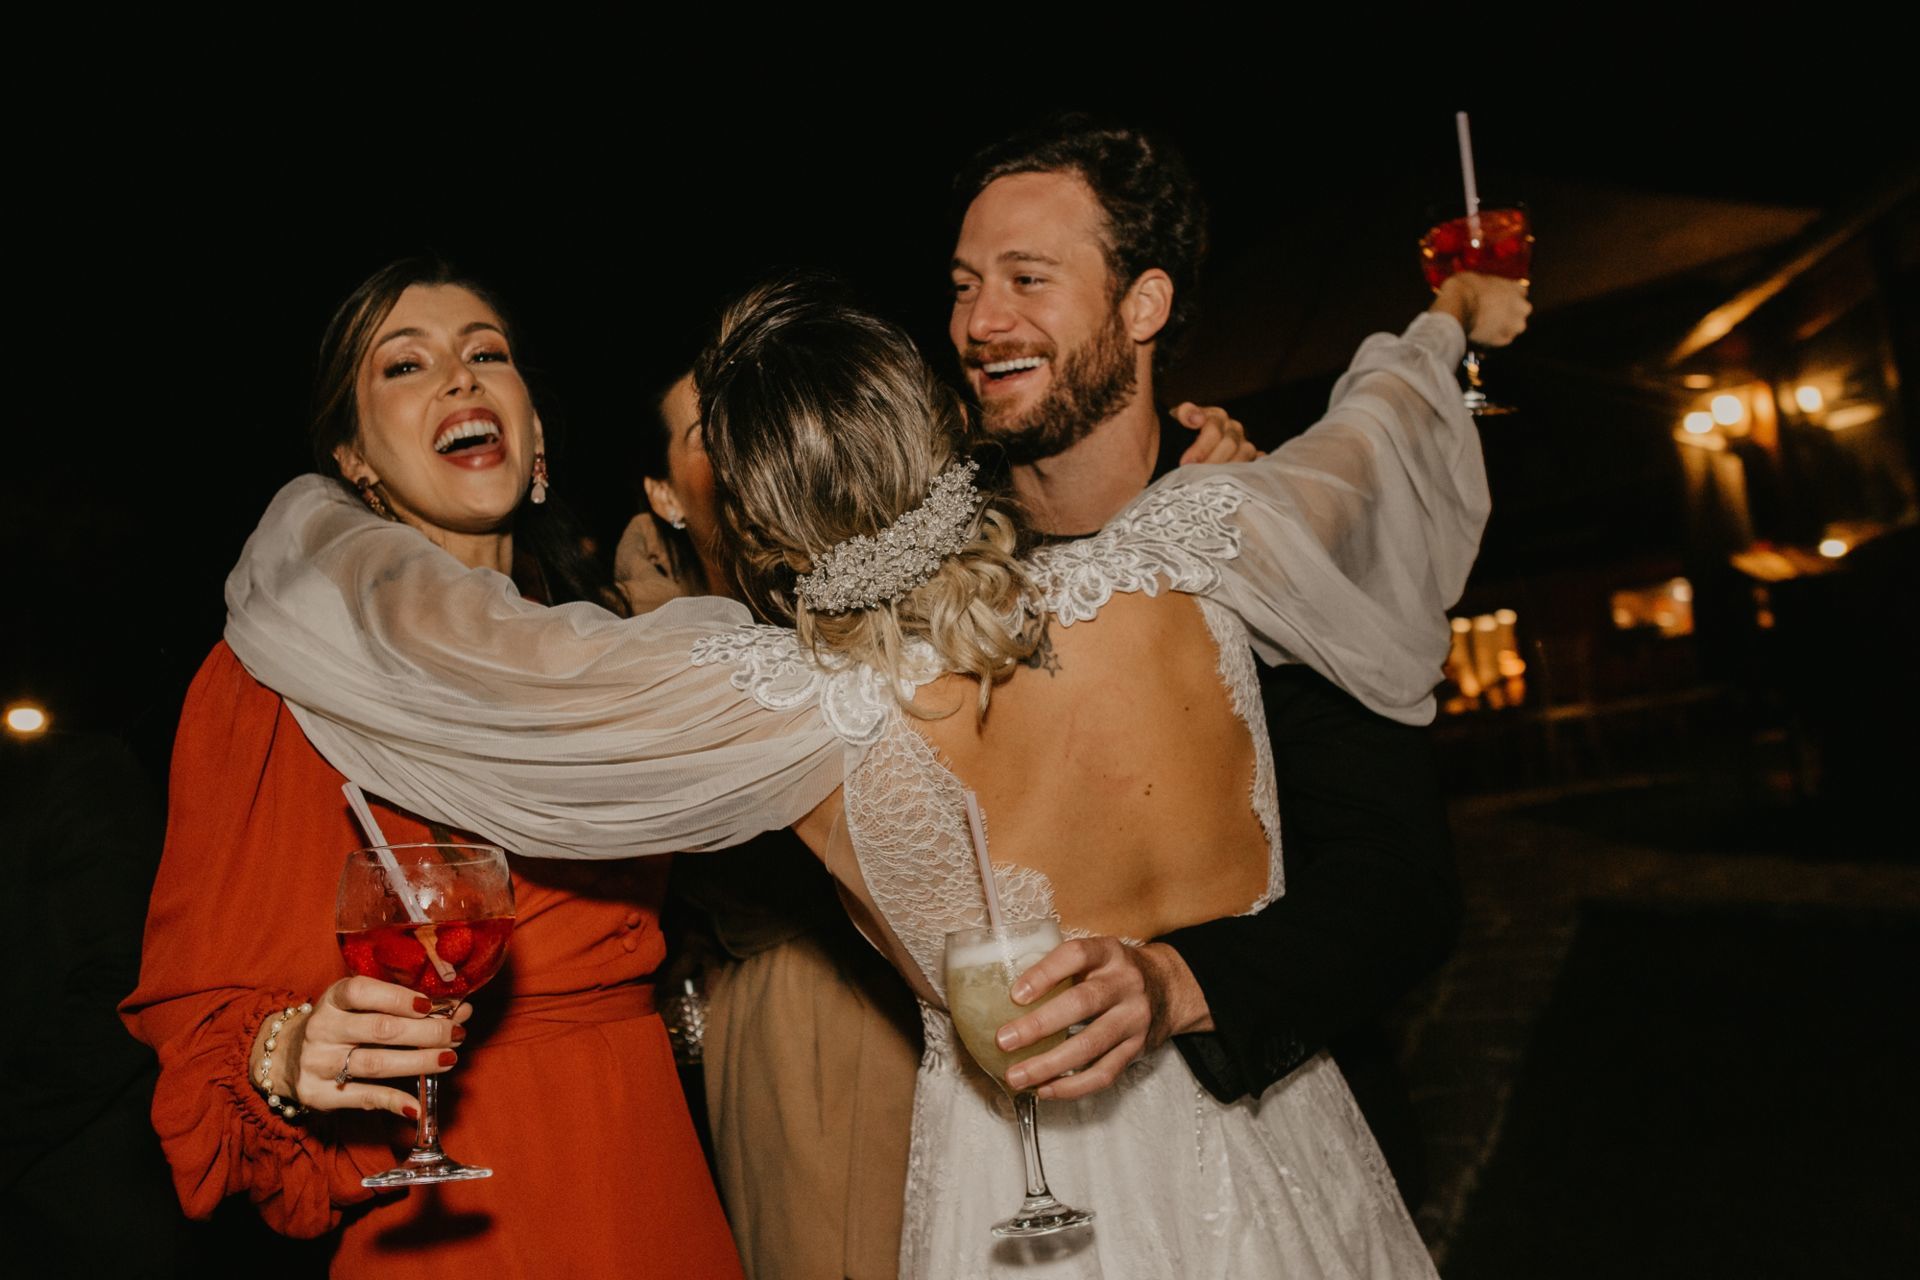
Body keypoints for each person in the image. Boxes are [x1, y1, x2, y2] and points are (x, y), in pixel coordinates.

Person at [216, 247, 1523, 1274]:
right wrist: (1447, 319)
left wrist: (317, 520)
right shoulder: (1203, 542)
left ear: (760, 516)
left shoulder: (792, 713)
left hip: (1013, 1214)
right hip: (1281, 1154)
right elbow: (1386, 435)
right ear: (938, 421)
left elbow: (477, 660)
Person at [119, 260, 743, 1278]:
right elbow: (202, 1012)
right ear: (355, 460)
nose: (459, 379)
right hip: (464, 1194)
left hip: (653, 1157)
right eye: (405, 365)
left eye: (485, 354)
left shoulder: (612, 654)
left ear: (534, 431)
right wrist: (290, 1051)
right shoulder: (275, 679)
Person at [942, 123, 1523, 1190]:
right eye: (966, 283)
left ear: (1143, 305)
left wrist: (1173, 984)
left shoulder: (1257, 540)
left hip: (1270, 1149)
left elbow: (1397, 886)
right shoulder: (936, 565)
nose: (982, 321)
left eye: (1028, 277)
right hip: (1009, 1167)